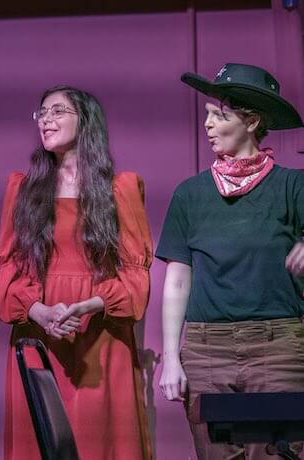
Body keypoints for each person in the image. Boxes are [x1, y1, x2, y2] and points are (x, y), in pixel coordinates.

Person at [0, 85, 154, 460]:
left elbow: (135, 276)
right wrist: (39, 311)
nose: (46, 120)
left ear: (86, 122)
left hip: (100, 337)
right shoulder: (23, 190)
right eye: (42, 113)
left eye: (58, 111)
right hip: (40, 334)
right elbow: (9, 269)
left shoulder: (120, 189)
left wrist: (88, 305)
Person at [157, 63, 304, 460]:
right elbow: (177, 280)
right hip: (207, 349)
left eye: (219, 115)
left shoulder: (293, 186)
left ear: (252, 121)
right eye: (206, 113)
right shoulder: (190, 194)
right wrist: (172, 358)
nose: (207, 123)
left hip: (278, 347)